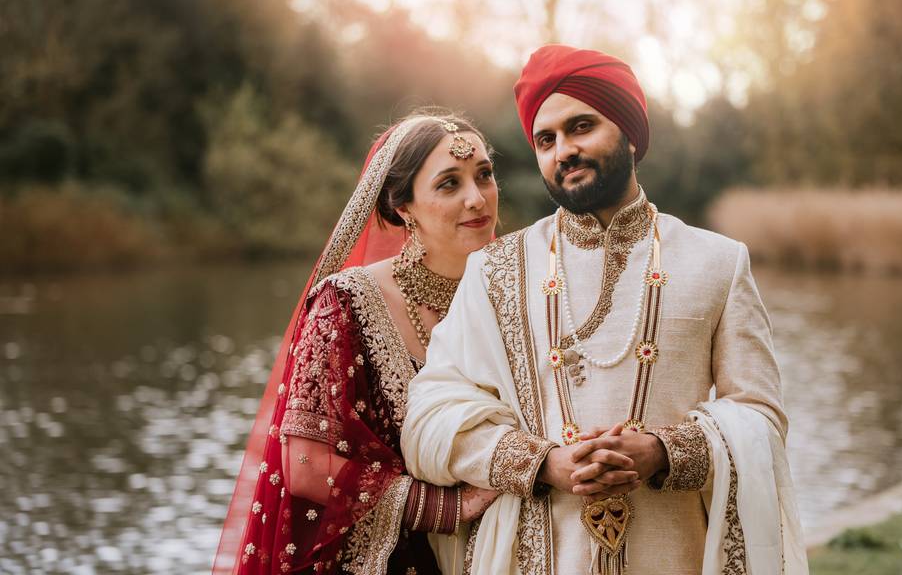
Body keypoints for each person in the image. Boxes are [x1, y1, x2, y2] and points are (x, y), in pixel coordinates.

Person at [401, 46, 807, 575]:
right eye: (546, 140)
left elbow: (761, 415)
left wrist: (663, 451)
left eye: (581, 127)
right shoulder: (496, 268)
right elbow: (430, 415)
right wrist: (542, 463)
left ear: (631, 132)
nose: (563, 150)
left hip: (673, 552)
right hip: (542, 556)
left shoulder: (718, 263)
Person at [214, 110, 502, 575]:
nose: (477, 198)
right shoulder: (346, 303)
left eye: (484, 175)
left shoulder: (517, 291)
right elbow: (306, 462)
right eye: (449, 184)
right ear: (403, 207)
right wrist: (452, 508)